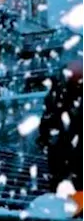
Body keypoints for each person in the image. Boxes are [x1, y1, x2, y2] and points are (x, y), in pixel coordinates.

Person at [37, 59, 84, 193]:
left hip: (63, 146)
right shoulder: (61, 96)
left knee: (62, 179)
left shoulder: (57, 94)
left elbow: (48, 118)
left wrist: (44, 138)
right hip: (68, 147)